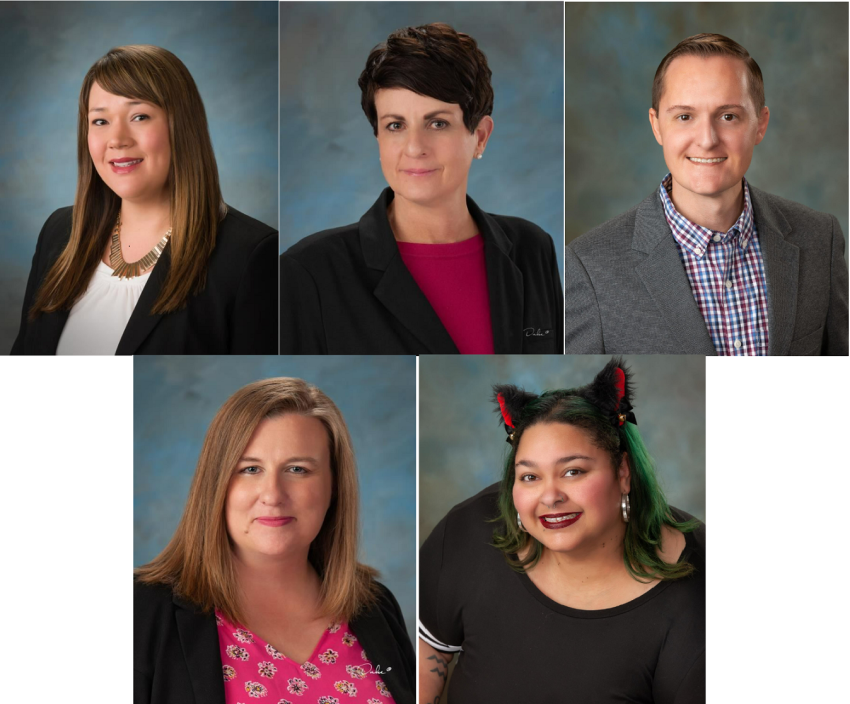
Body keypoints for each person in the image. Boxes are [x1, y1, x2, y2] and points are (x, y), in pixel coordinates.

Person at [419, 359, 705, 703]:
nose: (550, 496)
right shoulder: (470, 530)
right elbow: (423, 662)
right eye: (530, 477)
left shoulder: (702, 588)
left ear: (624, 472)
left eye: (573, 471)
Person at [279, 23, 563, 354]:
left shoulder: (532, 248)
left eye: (437, 123)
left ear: (480, 136)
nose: (415, 147)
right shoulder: (309, 272)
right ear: (378, 138)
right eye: (395, 125)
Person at [134, 378, 414, 704]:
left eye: (297, 469)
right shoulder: (139, 612)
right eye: (250, 469)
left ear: (334, 485)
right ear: (216, 485)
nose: (273, 495)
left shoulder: (374, 606)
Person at [565, 33, 848, 355]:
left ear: (760, 124)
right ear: (657, 126)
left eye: (729, 116)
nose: (707, 139)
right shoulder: (589, 266)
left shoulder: (819, 239)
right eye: (685, 117)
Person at [11, 45, 277, 355]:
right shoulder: (59, 232)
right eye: (100, 121)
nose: (117, 139)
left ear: (181, 127)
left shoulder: (251, 256)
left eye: (139, 116)